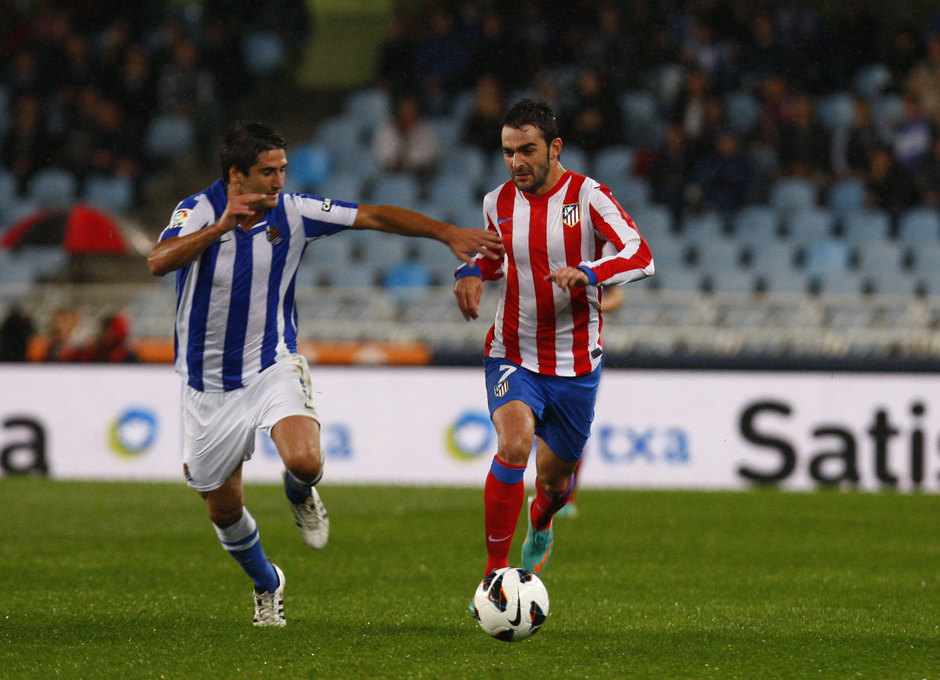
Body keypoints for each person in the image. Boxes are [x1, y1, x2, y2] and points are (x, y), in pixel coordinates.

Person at [148, 121, 502, 627]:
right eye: (267, 172)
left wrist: (446, 233)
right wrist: (222, 226)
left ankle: (300, 491)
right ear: (235, 175)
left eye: (282, 170)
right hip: (207, 387)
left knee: (306, 460)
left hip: (272, 363)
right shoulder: (197, 211)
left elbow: (374, 215)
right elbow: (158, 261)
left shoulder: (293, 211)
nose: (277, 181)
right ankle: (268, 583)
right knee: (223, 511)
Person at [453, 100, 653, 584]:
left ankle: (540, 519)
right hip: (512, 352)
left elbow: (640, 255)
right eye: (507, 152)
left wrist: (589, 273)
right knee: (515, 444)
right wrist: (471, 272)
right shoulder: (496, 202)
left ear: (554, 147)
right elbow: (496, 260)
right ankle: (495, 574)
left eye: (527, 150)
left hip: (576, 365)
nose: (516, 162)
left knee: (554, 482)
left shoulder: (589, 196)